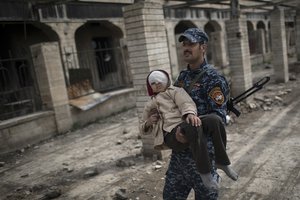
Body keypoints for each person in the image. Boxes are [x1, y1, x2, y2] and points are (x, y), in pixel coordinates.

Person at [141, 27, 236, 199]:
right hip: (179, 157)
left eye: (191, 43)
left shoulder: (214, 78)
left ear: (203, 47)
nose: (186, 47)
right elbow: (169, 106)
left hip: (202, 158)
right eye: (184, 44)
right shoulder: (182, 77)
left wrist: (190, 126)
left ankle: (217, 169)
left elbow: (219, 118)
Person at [142, 70, 238, 191]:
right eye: (153, 83)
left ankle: (222, 162)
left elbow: (185, 102)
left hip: (185, 122)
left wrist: (190, 114)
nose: (157, 84)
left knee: (214, 120)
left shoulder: (176, 91)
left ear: (166, 81)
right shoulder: (150, 103)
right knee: (193, 126)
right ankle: (205, 173)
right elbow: (142, 128)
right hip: (170, 133)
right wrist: (149, 122)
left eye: (159, 81)